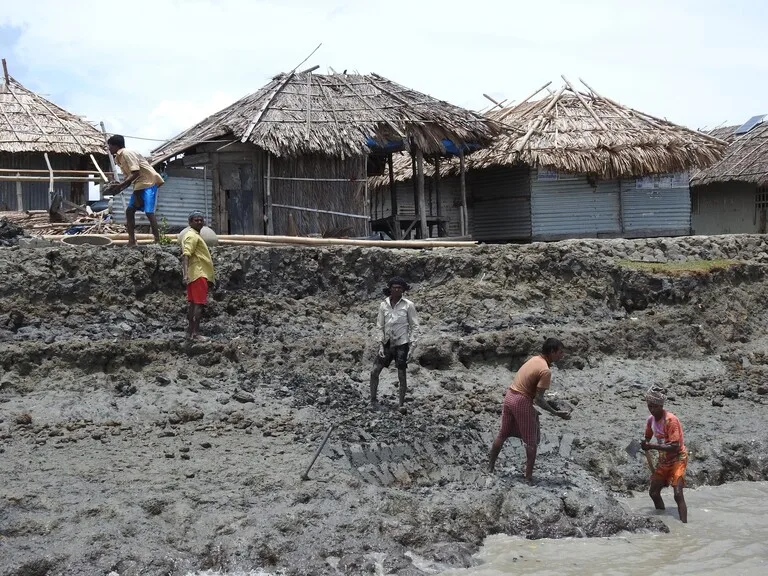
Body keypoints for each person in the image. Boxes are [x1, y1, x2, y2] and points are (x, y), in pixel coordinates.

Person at [488, 338, 571, 482]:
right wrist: (556, 413)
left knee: (503, 434)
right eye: (560, 352)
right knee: (531, 441)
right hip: (521, 400)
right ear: (552, 352)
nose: (562, 355)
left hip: (510, 396)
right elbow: (539, 399)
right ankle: (528, 477)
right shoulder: (545, 370)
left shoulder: (534, 359)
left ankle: (489, 468)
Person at [370, 276, 419, 412]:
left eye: (399, 288)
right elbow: (380, 326)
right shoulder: (383, 305)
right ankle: (373, 400)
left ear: (403, 290)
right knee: (374, 371)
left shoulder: (408, 305)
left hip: (402, 344)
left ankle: (401, 404)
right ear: (390, 289)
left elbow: (415, 326)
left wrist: (412, 347)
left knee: (401, 375)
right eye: (394, 288)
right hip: (386, 343)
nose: (396, 290)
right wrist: (380, 344)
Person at [105, 135, 165, 246]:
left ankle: (158, 241)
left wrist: (121, 186)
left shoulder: (127, 153)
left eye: (110, 146)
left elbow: (136, 172)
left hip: (148, 182)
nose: (109, 148)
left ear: (116, 145)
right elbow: (128, 177)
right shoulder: (118, 157)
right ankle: (131, 241)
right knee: (129, 211)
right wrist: (119, 186)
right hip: (139, 184)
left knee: (149, 212)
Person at [641, 386, 688, 523]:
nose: (652, 409)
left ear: (661, 406)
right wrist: (644, 443)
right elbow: (647, 437)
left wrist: (651, 446)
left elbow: (675, 446)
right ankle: (661, 520)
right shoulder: (651, 420)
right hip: (664, 459)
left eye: (654, 406)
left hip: (678, 458)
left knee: (678, 494)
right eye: (649, 406)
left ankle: (683, 525)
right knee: (654, 492)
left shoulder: (671, 420)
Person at [181, 211, 215, 341]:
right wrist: (185, 274)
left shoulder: (194, 235)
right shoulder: (192, 236)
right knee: (198, 305)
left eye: (201, 220)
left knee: (193, 304)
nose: (199, 222)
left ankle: (189, 333)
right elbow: (186, 255)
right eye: (196, 220)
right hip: (198, 274)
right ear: (190, 222)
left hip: (195, 274)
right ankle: (195, 334)